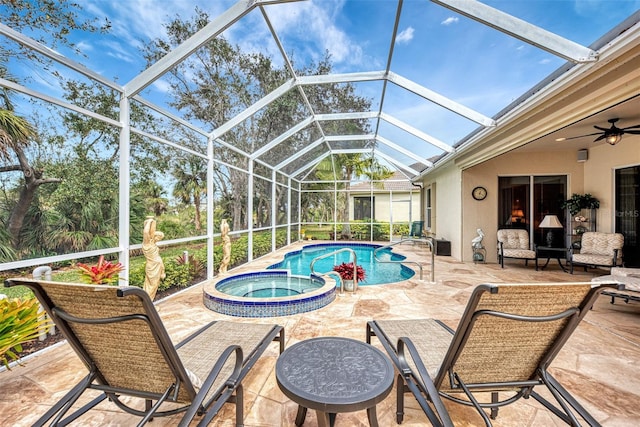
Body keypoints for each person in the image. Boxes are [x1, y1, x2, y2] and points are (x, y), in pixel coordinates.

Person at [142, 216, 165, 300]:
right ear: (154, 236)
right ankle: (147, 302)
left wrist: (162, 270)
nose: (158, 239)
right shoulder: (147, 244)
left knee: (152, 285)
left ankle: (147, 302)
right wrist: (150, 221)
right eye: (158, 237)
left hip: (157, 266)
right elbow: (145, 232)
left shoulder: (153, 244)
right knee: (152, 285)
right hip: (152, 267)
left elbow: (158, 258)